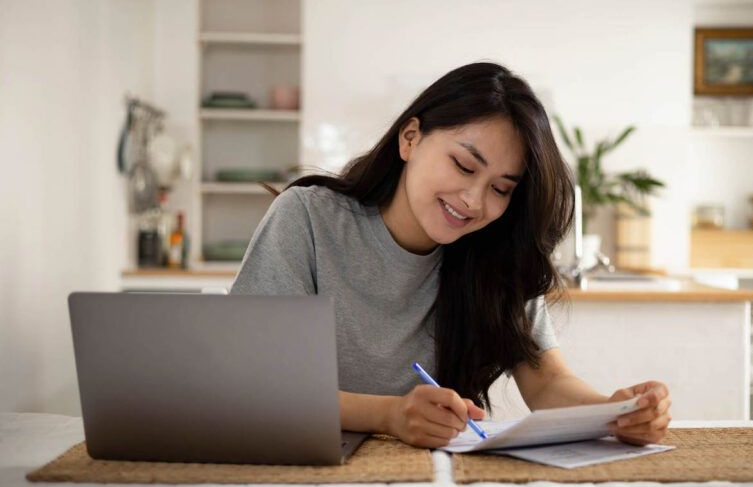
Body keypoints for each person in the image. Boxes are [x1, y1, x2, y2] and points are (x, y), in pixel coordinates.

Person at [230, 62, 671, 448]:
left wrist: (614, 412)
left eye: (500, 188)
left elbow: (548, 381)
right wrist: (389, 415)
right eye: (464, 166)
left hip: (438, 478)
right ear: (410, 139)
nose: (474, 201)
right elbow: (256, 381)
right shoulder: (307, 219)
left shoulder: (497, 253)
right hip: (310, 465)